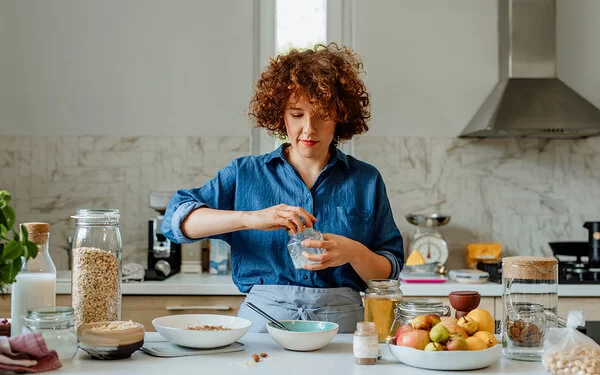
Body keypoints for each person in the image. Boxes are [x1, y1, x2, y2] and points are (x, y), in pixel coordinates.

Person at [161, 43, 404, 333]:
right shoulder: (245, 173)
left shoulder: (366, 180)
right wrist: (249, 218)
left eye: (322, 114)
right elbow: (176, 221)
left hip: (344, 327)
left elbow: (388, 273)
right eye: (297, 114)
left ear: (341, 116)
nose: (309, 129)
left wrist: (353, 252)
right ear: (281, 115)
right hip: (262, 323)